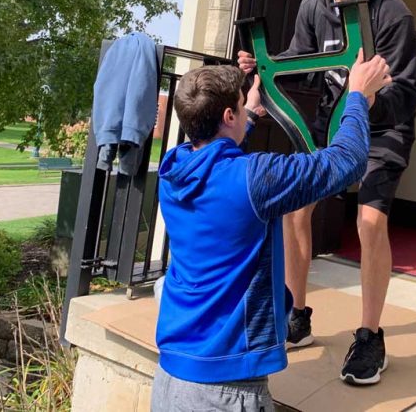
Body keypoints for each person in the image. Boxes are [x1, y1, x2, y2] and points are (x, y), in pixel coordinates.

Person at [238, 0, 416, 386]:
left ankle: (370, 335)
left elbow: (407, 97)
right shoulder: (312, 3)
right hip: (329, 125)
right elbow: (302, 64)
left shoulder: (393, 14)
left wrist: (367, 96)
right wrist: (267, 66)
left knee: (369, 221)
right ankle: (297, 316)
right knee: (293, 210)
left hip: (384, 129)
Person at [153, 52, 391, 411]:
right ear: (228, 116)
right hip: (228, 392)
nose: (245, 112)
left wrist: (248, 115)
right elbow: (347, 161)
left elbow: (218, 161)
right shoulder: (256, 178)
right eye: (239, 107)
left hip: (171, 377)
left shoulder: (174, 172)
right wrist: (356, 95)